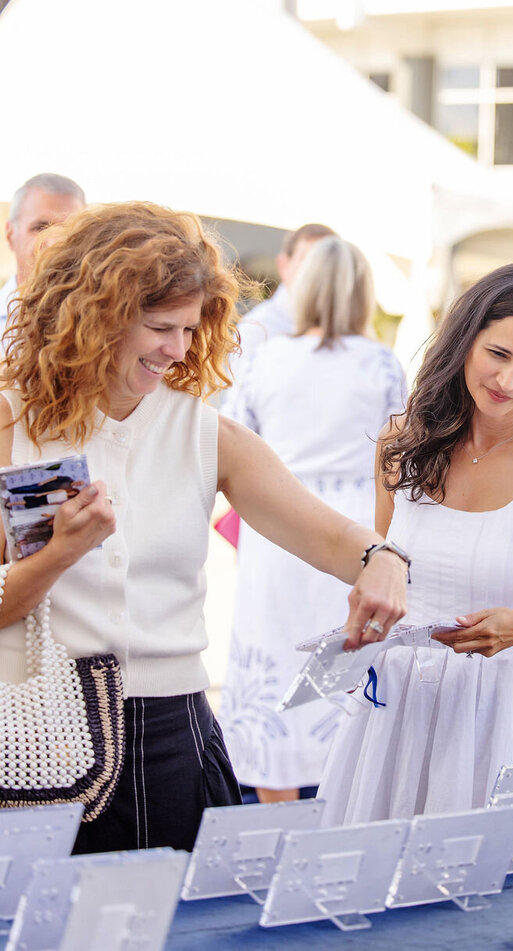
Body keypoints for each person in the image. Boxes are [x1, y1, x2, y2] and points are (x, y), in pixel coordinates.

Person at [0, 203, 408, 854]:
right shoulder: (11, 423)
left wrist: (382, 556)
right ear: (92, 315)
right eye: (159, 326)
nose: (178, 350)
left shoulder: (201, 431)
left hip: (174, 740)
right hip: (41, 739)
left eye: (190, 328)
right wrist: (61, 553)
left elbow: (328, 535)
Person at [317, 262, 513, 823]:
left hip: (509, 724)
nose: (509, 383)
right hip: (396, 717)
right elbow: (380, 570)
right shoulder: (401, 440)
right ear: (467, 337)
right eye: (498, 355)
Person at [219, 236, 407, 802]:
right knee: (345, 660)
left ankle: (276, 820)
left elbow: (231, 438)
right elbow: (397, 457)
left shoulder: (267, 358)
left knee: (273, 664)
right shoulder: (380, 364)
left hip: (278, 526)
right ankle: (339, 812)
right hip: (351, 533)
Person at [0, 173, 86, 331]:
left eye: (69, 230)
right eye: (40, 228)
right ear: (10, 234)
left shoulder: (106, 324)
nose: (55, 242)